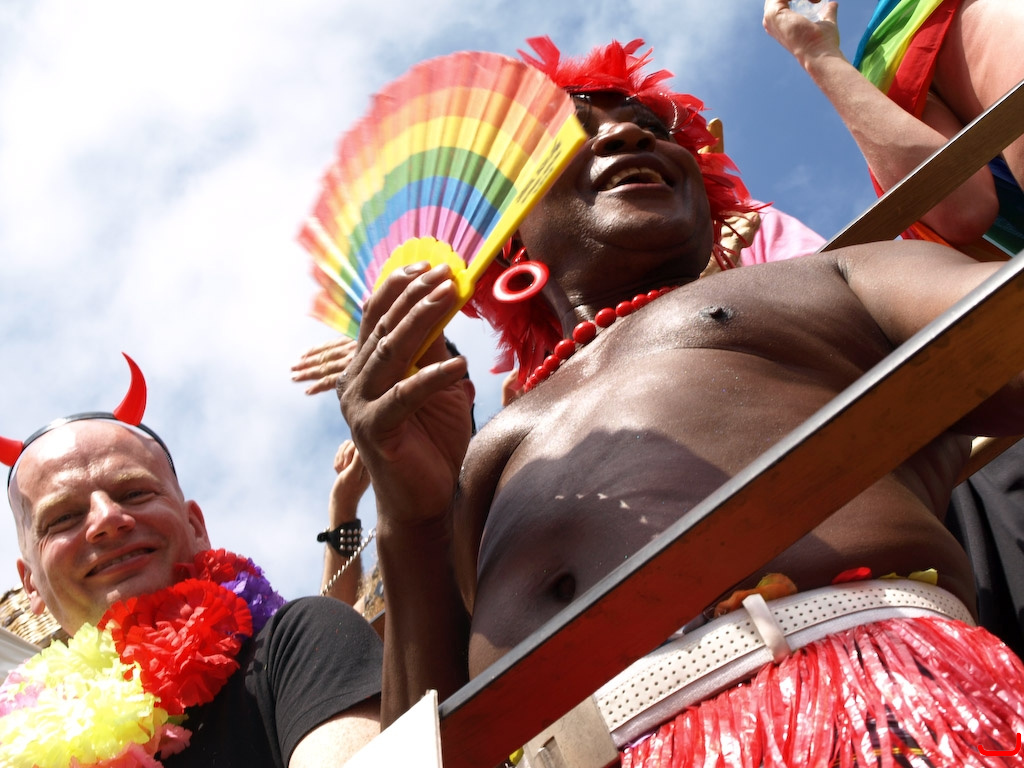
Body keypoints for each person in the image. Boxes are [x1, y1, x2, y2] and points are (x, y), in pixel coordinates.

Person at [337, 37, 1024, 765]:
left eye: (651, 128)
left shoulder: (835, 278)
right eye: (569, 136)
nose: (627, 135)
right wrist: (410, 519)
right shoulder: (481, 453)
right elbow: (423, 749)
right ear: (511, 247)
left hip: (872, 704)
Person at [765, 0, 1024, 659]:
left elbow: (959, 209)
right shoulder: (909, 29)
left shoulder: (903, 36)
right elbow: (962, 208)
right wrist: (819, 53)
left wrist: (817, 55)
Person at [0, 354, 383, 768]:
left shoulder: (297, 643)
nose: (107, 519)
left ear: (196, 527)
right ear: (31, 584)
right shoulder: (18, 744)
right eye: (63, 518)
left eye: (135, 493)